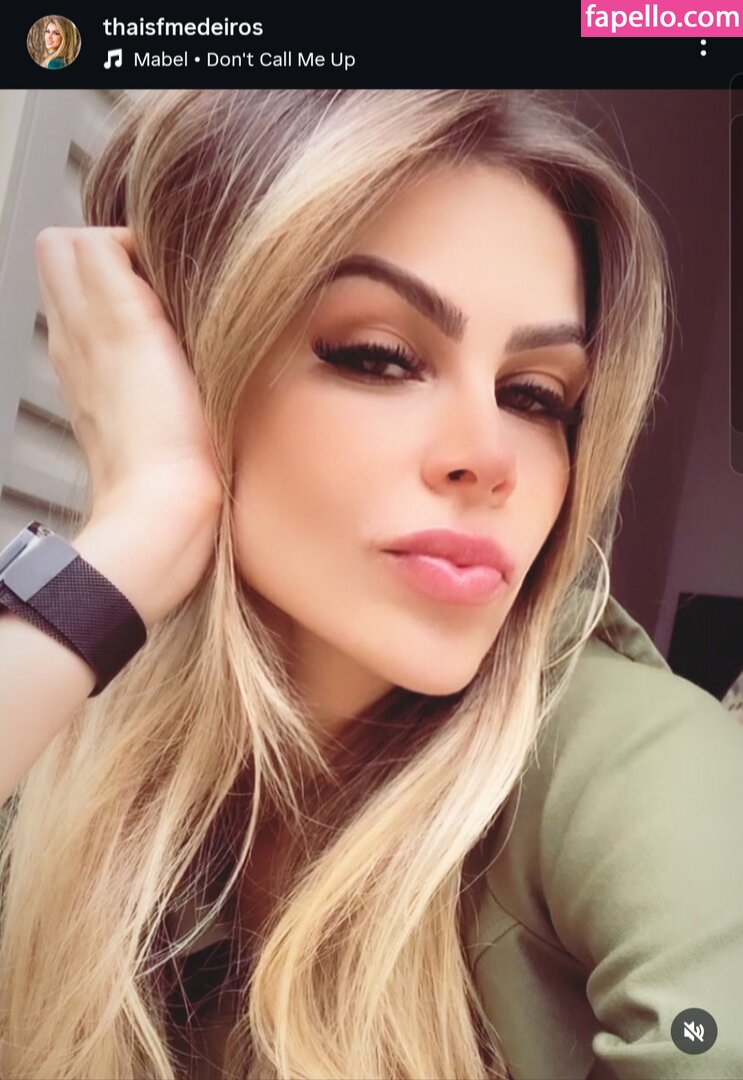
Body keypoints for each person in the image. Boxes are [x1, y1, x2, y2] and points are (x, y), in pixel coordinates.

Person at [0, 89, 741, 1079]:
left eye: (534, 396)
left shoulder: (635, 762)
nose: (491, 457)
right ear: (179, 373)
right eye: (379, 357)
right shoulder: (69, 731)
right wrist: (144, 523)